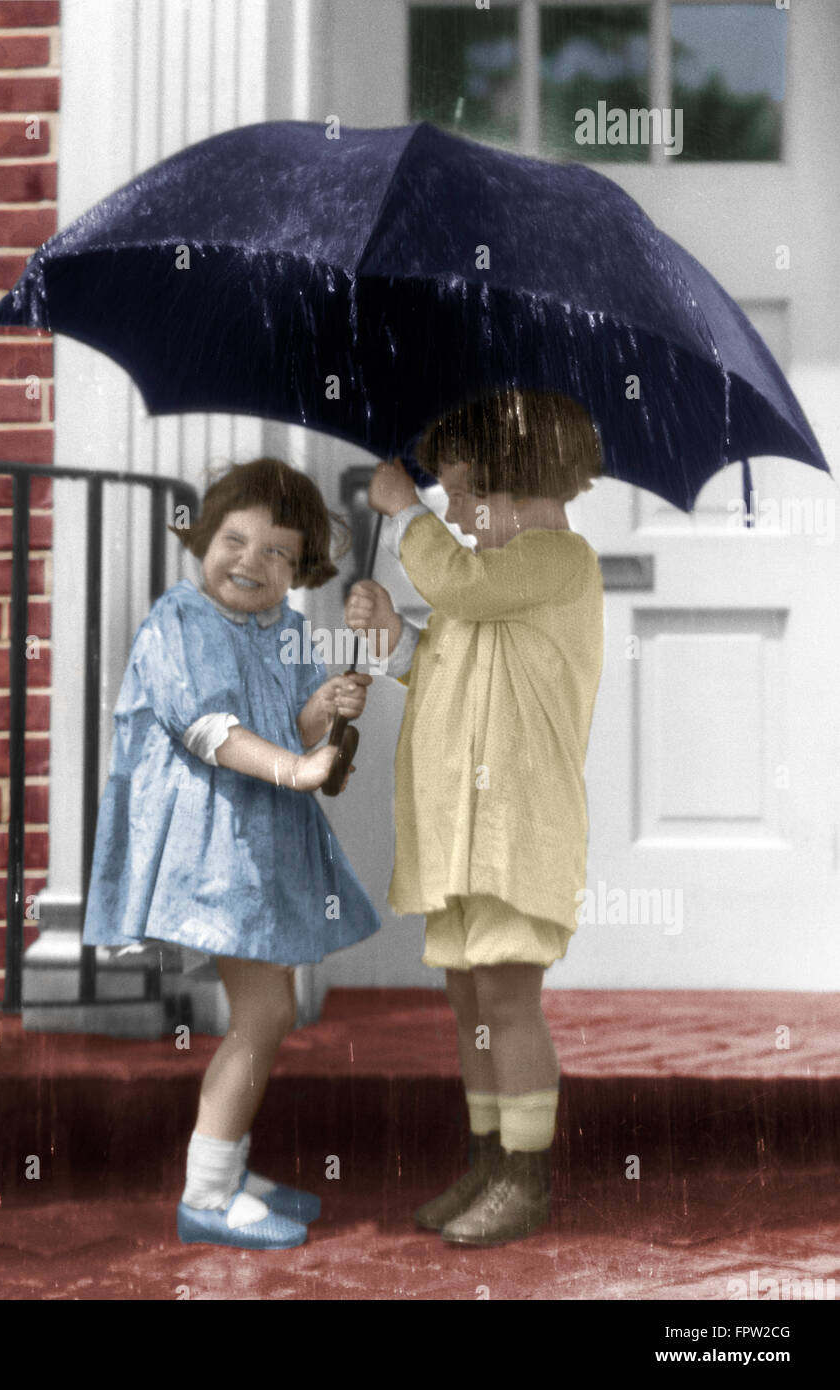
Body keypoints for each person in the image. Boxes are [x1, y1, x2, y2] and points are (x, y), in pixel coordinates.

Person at [82, 456, 380, 1250]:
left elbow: (296, 724)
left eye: (277, 552)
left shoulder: (286, 629)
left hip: (259, 842)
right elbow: (207, 728)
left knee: (266, 1010)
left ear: (301, 567)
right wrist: (293, 768)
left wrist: (326, 706)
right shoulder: (178, 622)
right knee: (265, 1009)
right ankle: (207, 1195)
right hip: (209, 844)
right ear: (204, 538)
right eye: (234, 540)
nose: (249, 561)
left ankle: (227, 1168)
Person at [345, 388, 605, 1246]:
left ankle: (527, 1177)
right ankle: (489, 1160)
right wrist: (390, 634)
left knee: (506, 994)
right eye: (449, 495)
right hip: (457, 829)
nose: (453, 511)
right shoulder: (488, 584)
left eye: (463, 493)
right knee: (470, 999)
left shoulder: (556, 561)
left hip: (512, 829)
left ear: (517, 482)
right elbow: (439, 663)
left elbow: (457, 580)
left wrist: (403, 507)